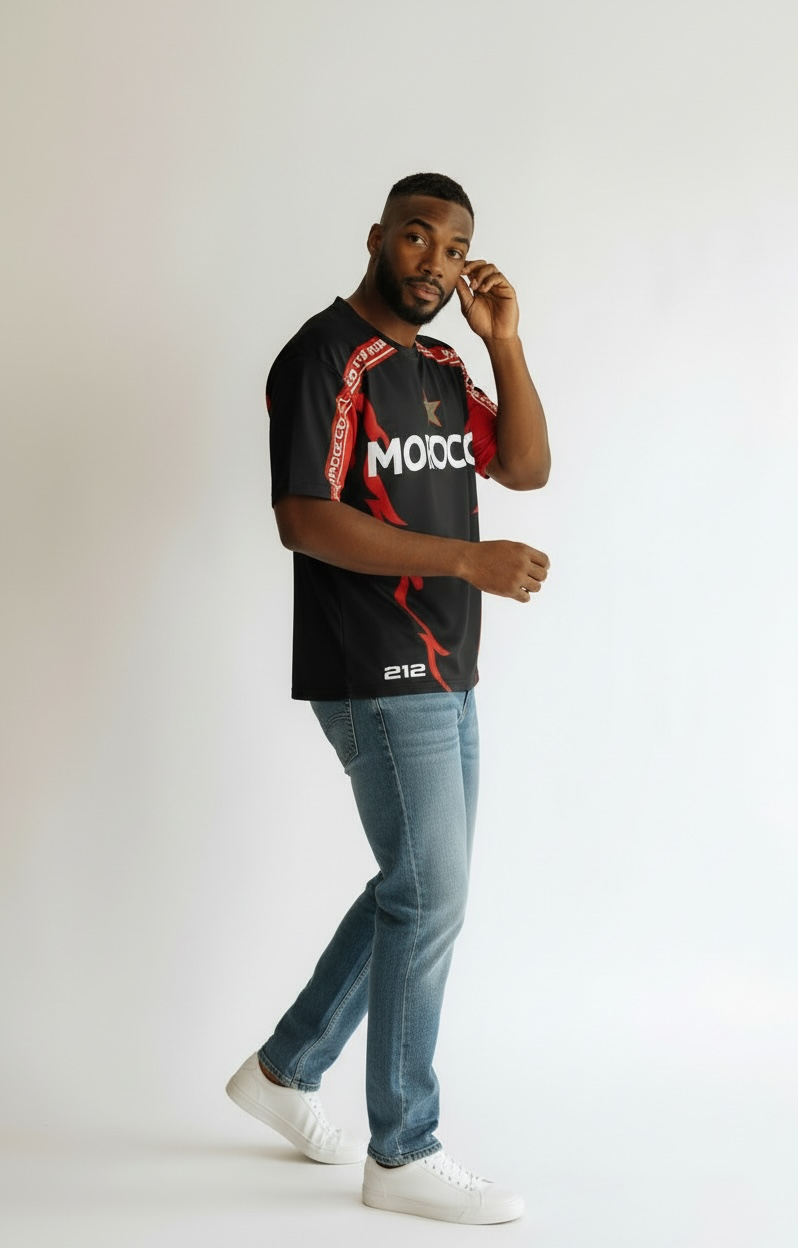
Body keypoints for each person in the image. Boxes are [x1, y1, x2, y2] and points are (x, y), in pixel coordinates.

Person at [226, 172, 550, 1225]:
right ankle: (402, 1149)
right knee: (430, 892)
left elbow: (528, 469)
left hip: (448, 662)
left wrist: (504, 343)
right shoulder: (325, 354)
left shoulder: (445, 365)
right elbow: (303, 518)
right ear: (378, 236)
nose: (435, 264)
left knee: (418, 887)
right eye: (418, 237)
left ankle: (284, 1071)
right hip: (372, 660)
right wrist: (464, 560)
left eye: (454, 250)